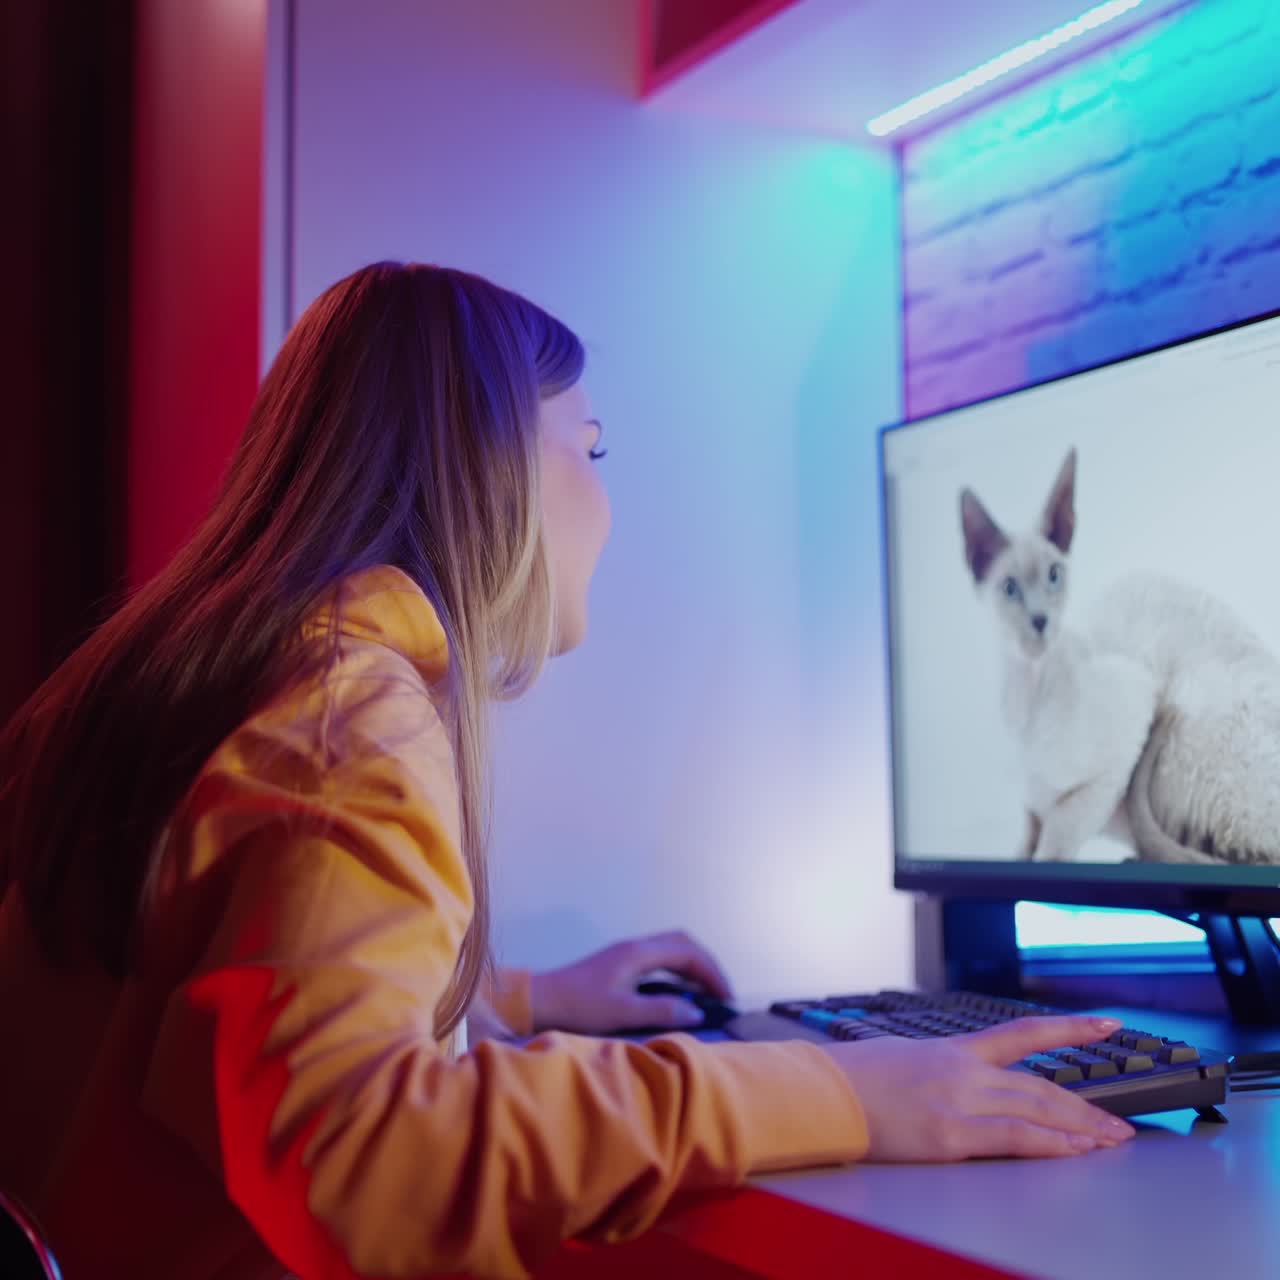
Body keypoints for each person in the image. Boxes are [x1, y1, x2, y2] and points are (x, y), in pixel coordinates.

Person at [0, 262, 1135, 1280]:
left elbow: (224, 988)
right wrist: (837, 1091)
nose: (606, 501)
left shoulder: (198, 678)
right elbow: (353, 1149)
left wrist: (522, 996)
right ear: (486, 465)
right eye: (588, 448)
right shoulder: (350, 715)